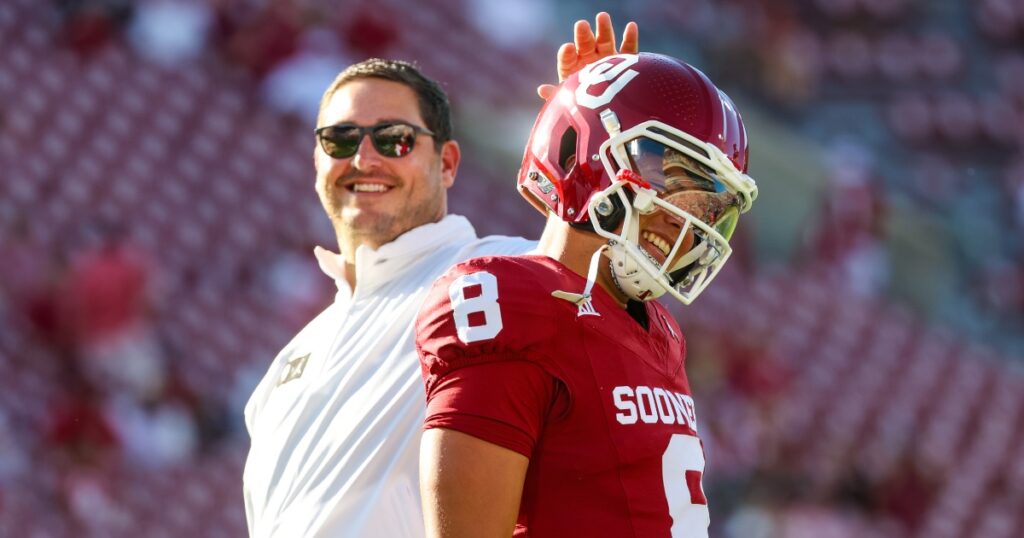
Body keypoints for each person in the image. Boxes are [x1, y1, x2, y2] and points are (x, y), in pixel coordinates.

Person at [242, 13, 639, 538]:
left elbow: (613, 269)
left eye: (395, 139)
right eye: (340, 140)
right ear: (317, 161)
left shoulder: (498, 275)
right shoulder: (285, 367)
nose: (364, 157)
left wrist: (607, 140)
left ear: (448, 163)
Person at [416, 53, 759, 537]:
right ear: (591, 149)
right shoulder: (510, 300)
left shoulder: (660, 330)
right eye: (670, 178)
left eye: (705, 203)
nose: (684, 218)